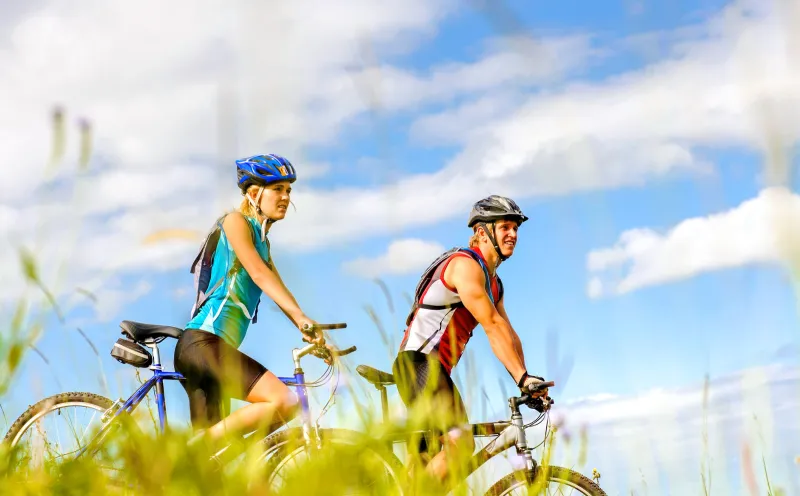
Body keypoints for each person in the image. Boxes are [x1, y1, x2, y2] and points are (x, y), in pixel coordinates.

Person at [392, 194, 551, 484]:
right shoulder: (465, 266)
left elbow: (506, 332)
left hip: (434, 371)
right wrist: (521, 377)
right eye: (505, 227)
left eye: (516, 228)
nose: (513, 234)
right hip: (419, 365)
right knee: (461, 444)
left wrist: (529, 381)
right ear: (481, 232)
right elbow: (490, 324)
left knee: (426, 465)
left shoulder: (494, 282)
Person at [173, 154, 323, 451]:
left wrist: (315, 335)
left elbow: (278, 289)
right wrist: (302, 317)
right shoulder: (235, 221)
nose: (285, 197)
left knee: (212, 465)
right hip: (203, 344)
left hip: (215, 349)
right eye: (277, 189)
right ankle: (188, 452)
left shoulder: (262, 242)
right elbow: (257, 273)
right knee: (283, 401)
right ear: (254, 193)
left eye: (288, 191)